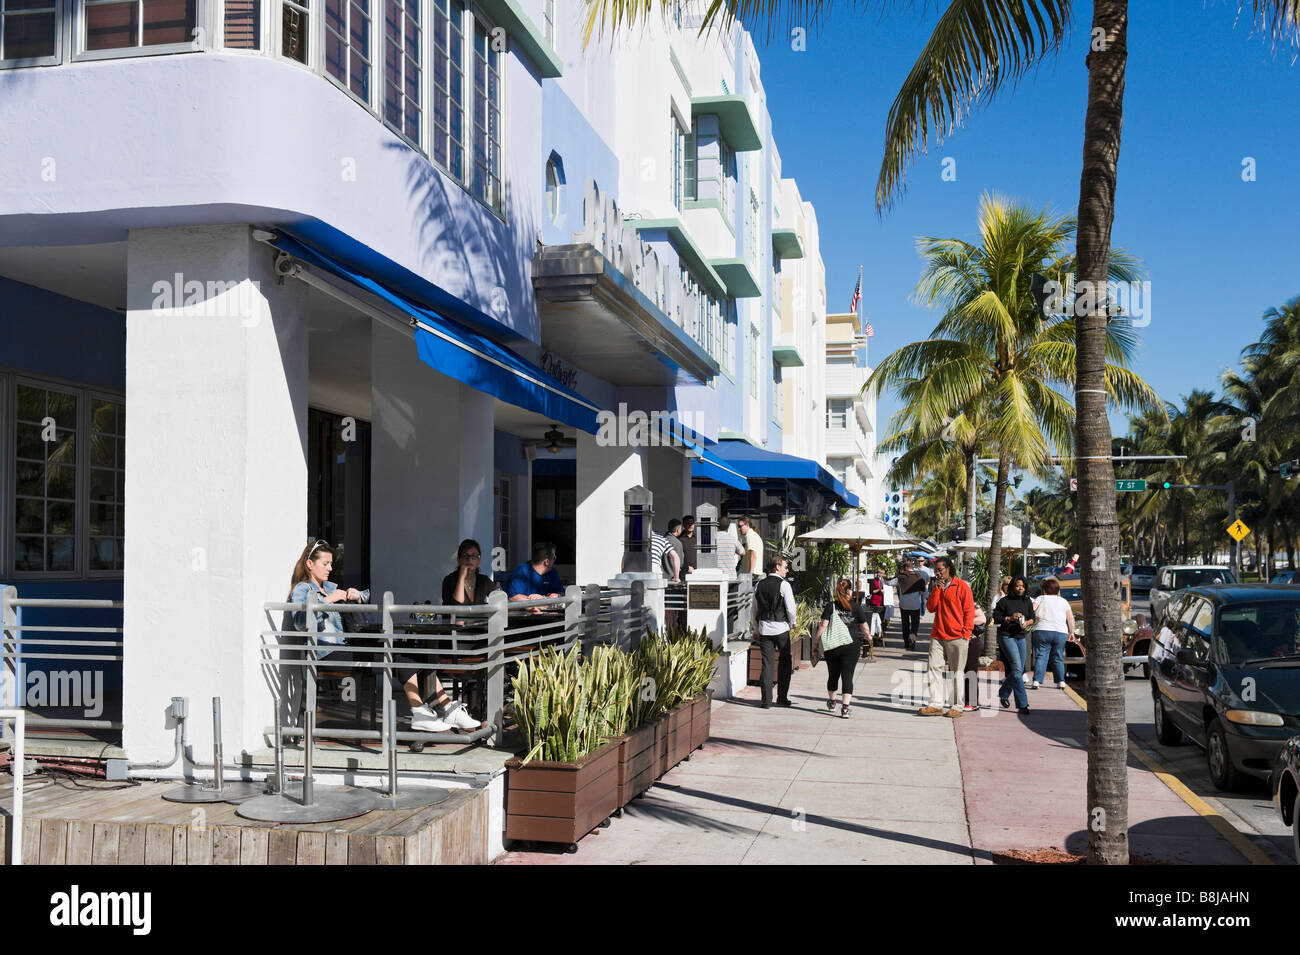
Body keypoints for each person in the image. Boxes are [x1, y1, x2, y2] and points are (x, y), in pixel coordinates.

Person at [289, 540, 479, 733]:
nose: (330, 568)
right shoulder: (303, 590)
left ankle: (445, 708)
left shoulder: (329, 587)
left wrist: (355, 595)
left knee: (413, 653)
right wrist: (329, 600)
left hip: (345, 648)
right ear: (309, 564)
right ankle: (423, 712)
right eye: (325, 564)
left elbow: (363, 597)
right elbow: (299, 621)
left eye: (331, 563)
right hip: (325, 654)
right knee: (398, 657)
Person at [918, 556, 974, 718]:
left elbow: (969, 611)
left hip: (957, 636)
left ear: (949, 569)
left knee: (956, 672)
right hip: (938, 634)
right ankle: (936, 704)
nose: (938, 573)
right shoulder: (937, 586)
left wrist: (966, 632)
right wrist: (936, 589)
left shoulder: (962, 586)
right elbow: (931, 608)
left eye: (940, 570)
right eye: (936, 571)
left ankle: (957, 706)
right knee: (933, 668)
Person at [816, 578, 870, 718]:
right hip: (851, 645)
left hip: (833, 646)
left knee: (833, 674)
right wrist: (869, 636)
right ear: (850, 590)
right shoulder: (856, 607)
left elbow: (823, 625)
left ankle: (832, 702)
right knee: (848, 676)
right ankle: (845, 708)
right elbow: (863, 626)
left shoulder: (831, 606)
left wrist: (816, 643)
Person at [751, 555, 796, 708]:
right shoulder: (784, 585)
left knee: (767, 664)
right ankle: (782, 697)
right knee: (785, 662)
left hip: (764, 629)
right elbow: (790, 609)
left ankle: (766, 700)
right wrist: (793, 623)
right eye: (785, 567)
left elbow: (753, 609)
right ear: (777, 567)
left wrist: (756, 628)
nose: (787, 570)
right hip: (781, 628)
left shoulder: (759, 585)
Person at [993, 575, 1034, 713]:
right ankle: (1023, 705)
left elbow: (1032, 618)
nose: (1020, 588)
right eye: (1017, 586)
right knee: (1017, 669)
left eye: (1022, 586)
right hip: (1007, 636)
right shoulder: (1004, 601)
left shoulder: (1027, 601)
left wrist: (1026, 623)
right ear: (1012, 587)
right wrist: (1009, 618)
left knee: (1018, 670)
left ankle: (1004, 693)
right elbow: (996, 617)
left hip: (1021, 637)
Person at [1031, 577, 1075, 689]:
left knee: (1041, 655)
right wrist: (1072, 632)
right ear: (1057, 590)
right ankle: (1061, 681)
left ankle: (1037, 681)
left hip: (1042, 630)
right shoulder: (1063, 601)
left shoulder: (1040, 598)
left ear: (1044, 590)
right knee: (1058, 656)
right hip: (1060, 632)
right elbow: (1070, 618)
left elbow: (1032, 610)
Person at [442, 538, 499, 605]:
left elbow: (499, 600)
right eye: (465, 556)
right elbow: (457, 605)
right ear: (459, 559)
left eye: (474, 556)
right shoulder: (449, 580)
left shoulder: (484, 580)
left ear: (479, 559)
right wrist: (461, 577)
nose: (469, 559)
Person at [895, 558, 926, 651]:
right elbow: (924, 592)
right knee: (915, 624)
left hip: (904, 605)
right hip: (915, 605)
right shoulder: (919, 577)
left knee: (905, 624)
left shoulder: (900, 577)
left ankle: (906, 642)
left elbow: (890, 582)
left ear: (905, 568)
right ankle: (912, 639)